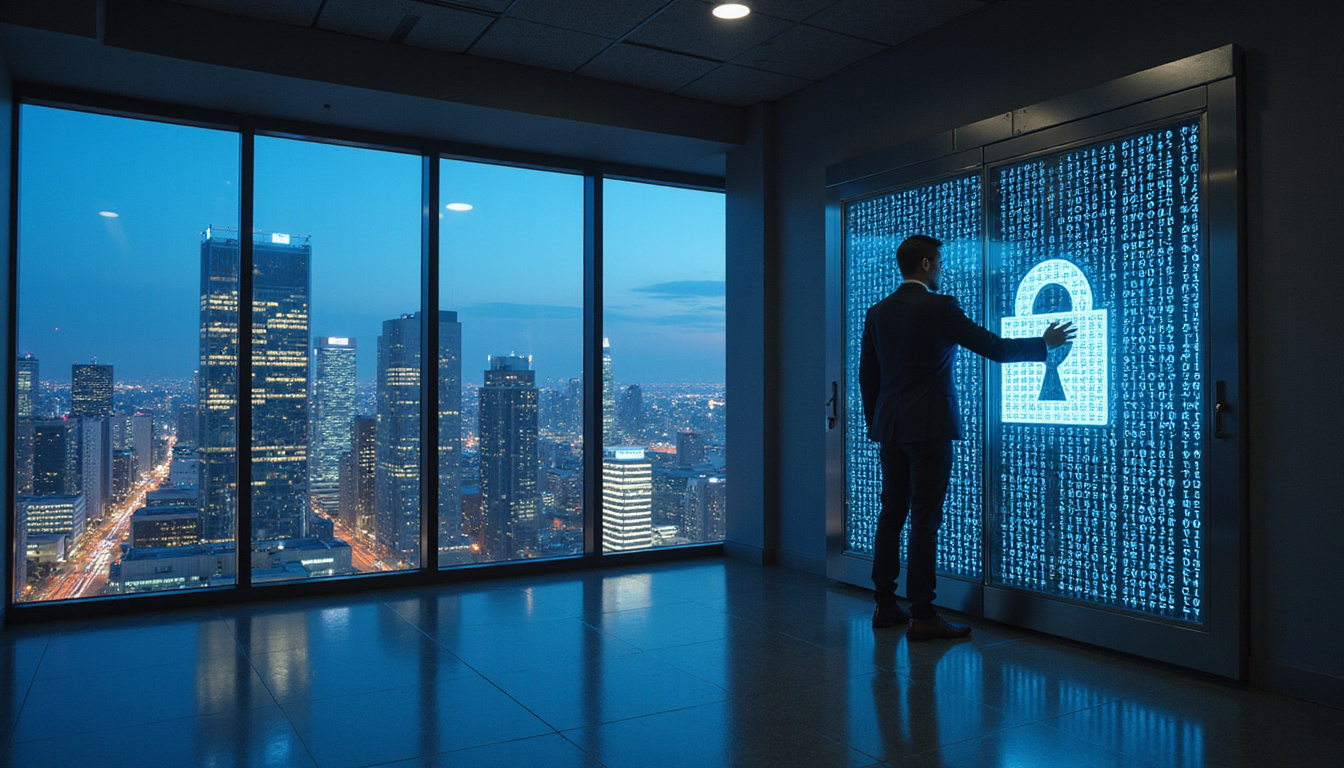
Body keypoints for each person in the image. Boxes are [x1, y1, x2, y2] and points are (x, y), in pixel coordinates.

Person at [859, 235, 1075, 640]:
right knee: (925, 518)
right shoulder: (939, 307)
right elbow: (991, 347)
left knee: (891, 514)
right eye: (939, 262)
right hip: (929, 428)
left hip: (890, 429)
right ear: (926, 264)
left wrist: (880, 423)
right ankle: (922, 614)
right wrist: (1043, 345)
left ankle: (885, 605)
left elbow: (868, 377)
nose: (942, 269)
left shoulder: (877, 312)